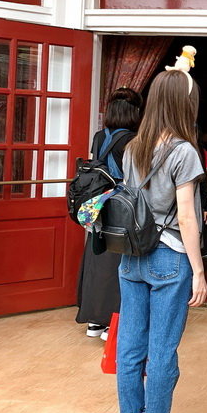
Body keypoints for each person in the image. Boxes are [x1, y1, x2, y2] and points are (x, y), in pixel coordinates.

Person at [115, 70, 207, 413]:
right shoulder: (184, 151)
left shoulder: (133, 146)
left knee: (130, 346)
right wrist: (199, 270)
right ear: (184, 105)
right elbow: (186, 217)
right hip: (168, 256)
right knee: (163, 347)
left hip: (131, 257)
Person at [75, 87, 142, 341]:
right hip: (122, 204)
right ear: (134, 112)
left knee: (97, 256)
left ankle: (94, 320)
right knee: (119, 261)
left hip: (98, 203)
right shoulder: (134, 140)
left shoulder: (98, 136)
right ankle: (114, 321)